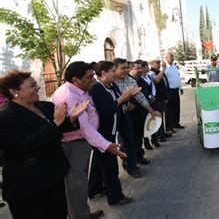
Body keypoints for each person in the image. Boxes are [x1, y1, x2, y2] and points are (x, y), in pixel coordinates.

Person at [0, 71, 87, 219]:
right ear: (14, 91)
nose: (38, 88)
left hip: (54, 175)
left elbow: (61, 127)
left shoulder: (45, 106)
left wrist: (71, 118)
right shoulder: (6, 117)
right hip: (27, 184)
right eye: (32, 86)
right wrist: (54, 124)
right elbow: (20, 146)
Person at [52, 61, 126, 219]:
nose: (93, 80)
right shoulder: (69, 96)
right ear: (75, 79)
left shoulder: (79, 90)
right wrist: (107, 146)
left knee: (80, 183)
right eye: (89, 77)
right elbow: (84, 128)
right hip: (73, 144)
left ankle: (81, 213)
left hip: (82, 142)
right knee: (75, 185)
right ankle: (79, 215)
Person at [88, 61, 140, 206]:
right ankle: (115, 196)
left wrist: (128, 97)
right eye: (112, 71)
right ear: (103, 73)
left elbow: (119, 100)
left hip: (112, 128)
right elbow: (106, 109)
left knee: (100, 163)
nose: (114, 74)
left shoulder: (111, 84)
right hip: (103, 132)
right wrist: (123, 98)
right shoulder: (97, 89)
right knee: (110, 167)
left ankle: (94, 188)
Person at [113, 58, 161, 173]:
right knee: (123, 142)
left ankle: (133, 165)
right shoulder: (111, 82)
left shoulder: (130, 80)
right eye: (123, 68)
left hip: (127, 116)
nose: (126, 70)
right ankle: (126, 161)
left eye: (126, 67)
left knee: (132, 139)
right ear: (115, 69)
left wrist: (151, 111)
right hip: (115, 116)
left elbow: (140, 97)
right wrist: (125, 102)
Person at [128, 61, 161, 164]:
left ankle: (139, 157)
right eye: (137, 68)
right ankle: (129, 162)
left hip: (141, 112)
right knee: (130, 140)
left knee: (138, 137)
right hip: (130, 115)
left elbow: (141, 96)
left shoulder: (138, 80)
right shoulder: (128, 81)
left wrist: (151, 110)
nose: (140, 70)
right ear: (131, 69)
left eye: (140, 68)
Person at [148, 59, 171, 145]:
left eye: (159, 63)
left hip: (162, 98)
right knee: (157, 117)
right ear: (152, 64)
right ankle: (159, 135)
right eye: (157, 63)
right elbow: (156, 81)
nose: (159, 64)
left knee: (161, 116)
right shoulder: (152, 73)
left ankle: (162, 132)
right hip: (156, 99)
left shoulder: (158, 71)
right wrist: (163, 69)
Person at [164, 52, 185, 132]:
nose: (172, 57)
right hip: (170, 91)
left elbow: (177, 78)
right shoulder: (165, 68)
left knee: (177, 107)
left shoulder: (174, 67)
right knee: (170, 109)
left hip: (176, 89)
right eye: (171, 56)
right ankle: (170, 125)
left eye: (173, 56)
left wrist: (181, 87)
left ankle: (176, 123)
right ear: (166, 58)